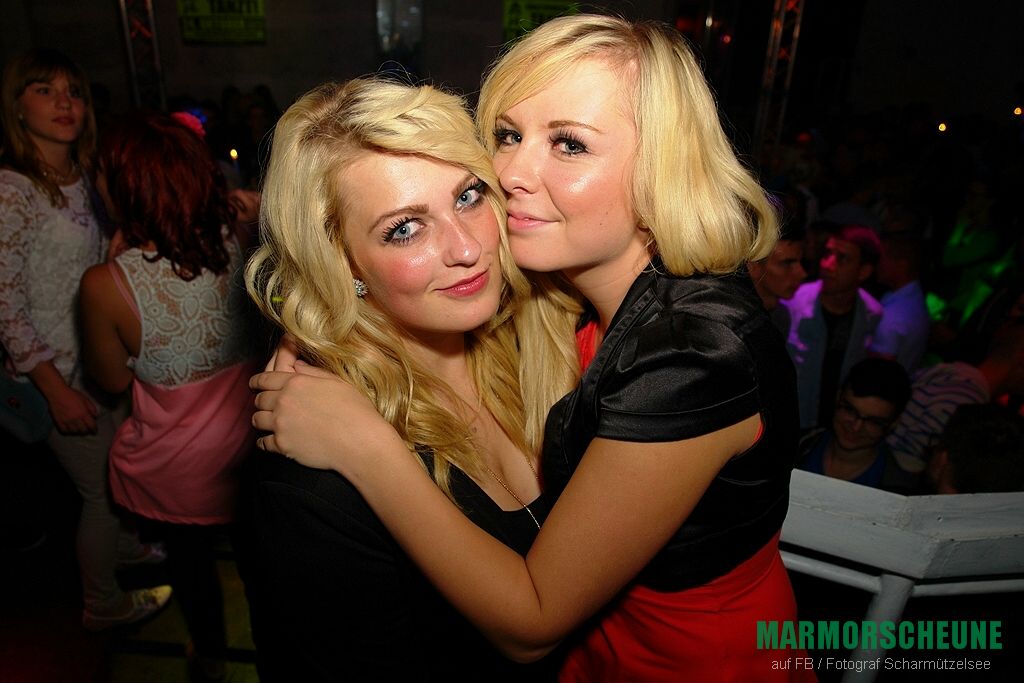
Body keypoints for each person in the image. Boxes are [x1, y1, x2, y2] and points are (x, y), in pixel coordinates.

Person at [253, 15, 812, 681]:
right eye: (508, 136)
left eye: (568, 144)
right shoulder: (562, 310)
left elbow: (534, 619)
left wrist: (367, 446)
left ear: (663, 165)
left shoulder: (683, 348)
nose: (510, 173)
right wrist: (314, 324)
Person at [242, 78, 561, 681]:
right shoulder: (312, 477)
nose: (467, 248)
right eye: (405, 229)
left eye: (468, 196)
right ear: (341, 261)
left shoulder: (539, 345)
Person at [79, 111, 260, 679]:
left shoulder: (106, 285)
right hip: (255, 448)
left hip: (180, 469)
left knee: (194, 570)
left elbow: (111, 381)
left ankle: (209, 656)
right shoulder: (238, 232)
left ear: (126, 187)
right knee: (263, 564)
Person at [0, 48, 170, 630]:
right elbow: (5, 305)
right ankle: (102, 603)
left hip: (98, 360)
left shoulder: (83, 176)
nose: (64, 103)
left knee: (119, 474)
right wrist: (54, 391)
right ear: (16, 107)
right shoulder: (13, 189)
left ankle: (124, 550)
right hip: (54, 374)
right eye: (44, 90)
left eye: (73, 91)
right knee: (100, 491)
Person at [783, 224, 884, 429]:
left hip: (836, 426)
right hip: (793, 421)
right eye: (827, 253)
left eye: (842, 258)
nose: (827, 264)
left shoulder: (871, 314)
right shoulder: (792, 304)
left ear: (863, 271)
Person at [797, 358, 916, 492]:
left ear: (893, 423)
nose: (856, 427)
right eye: (850, 410)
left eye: (873, 421)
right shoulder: (794, 445)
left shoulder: (897, 489)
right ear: (838, 398)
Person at [871, 230, 930, 372]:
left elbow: (877, 372)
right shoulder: (914, 297)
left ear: (901, 265)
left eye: (881, 258)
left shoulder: (893, 316)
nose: (876, 263)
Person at [747, 220, 807, 335]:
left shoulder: (781, 316)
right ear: (753, 266)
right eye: (787, 263)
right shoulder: (732, 321)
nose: (802, 273)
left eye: (801, 262)